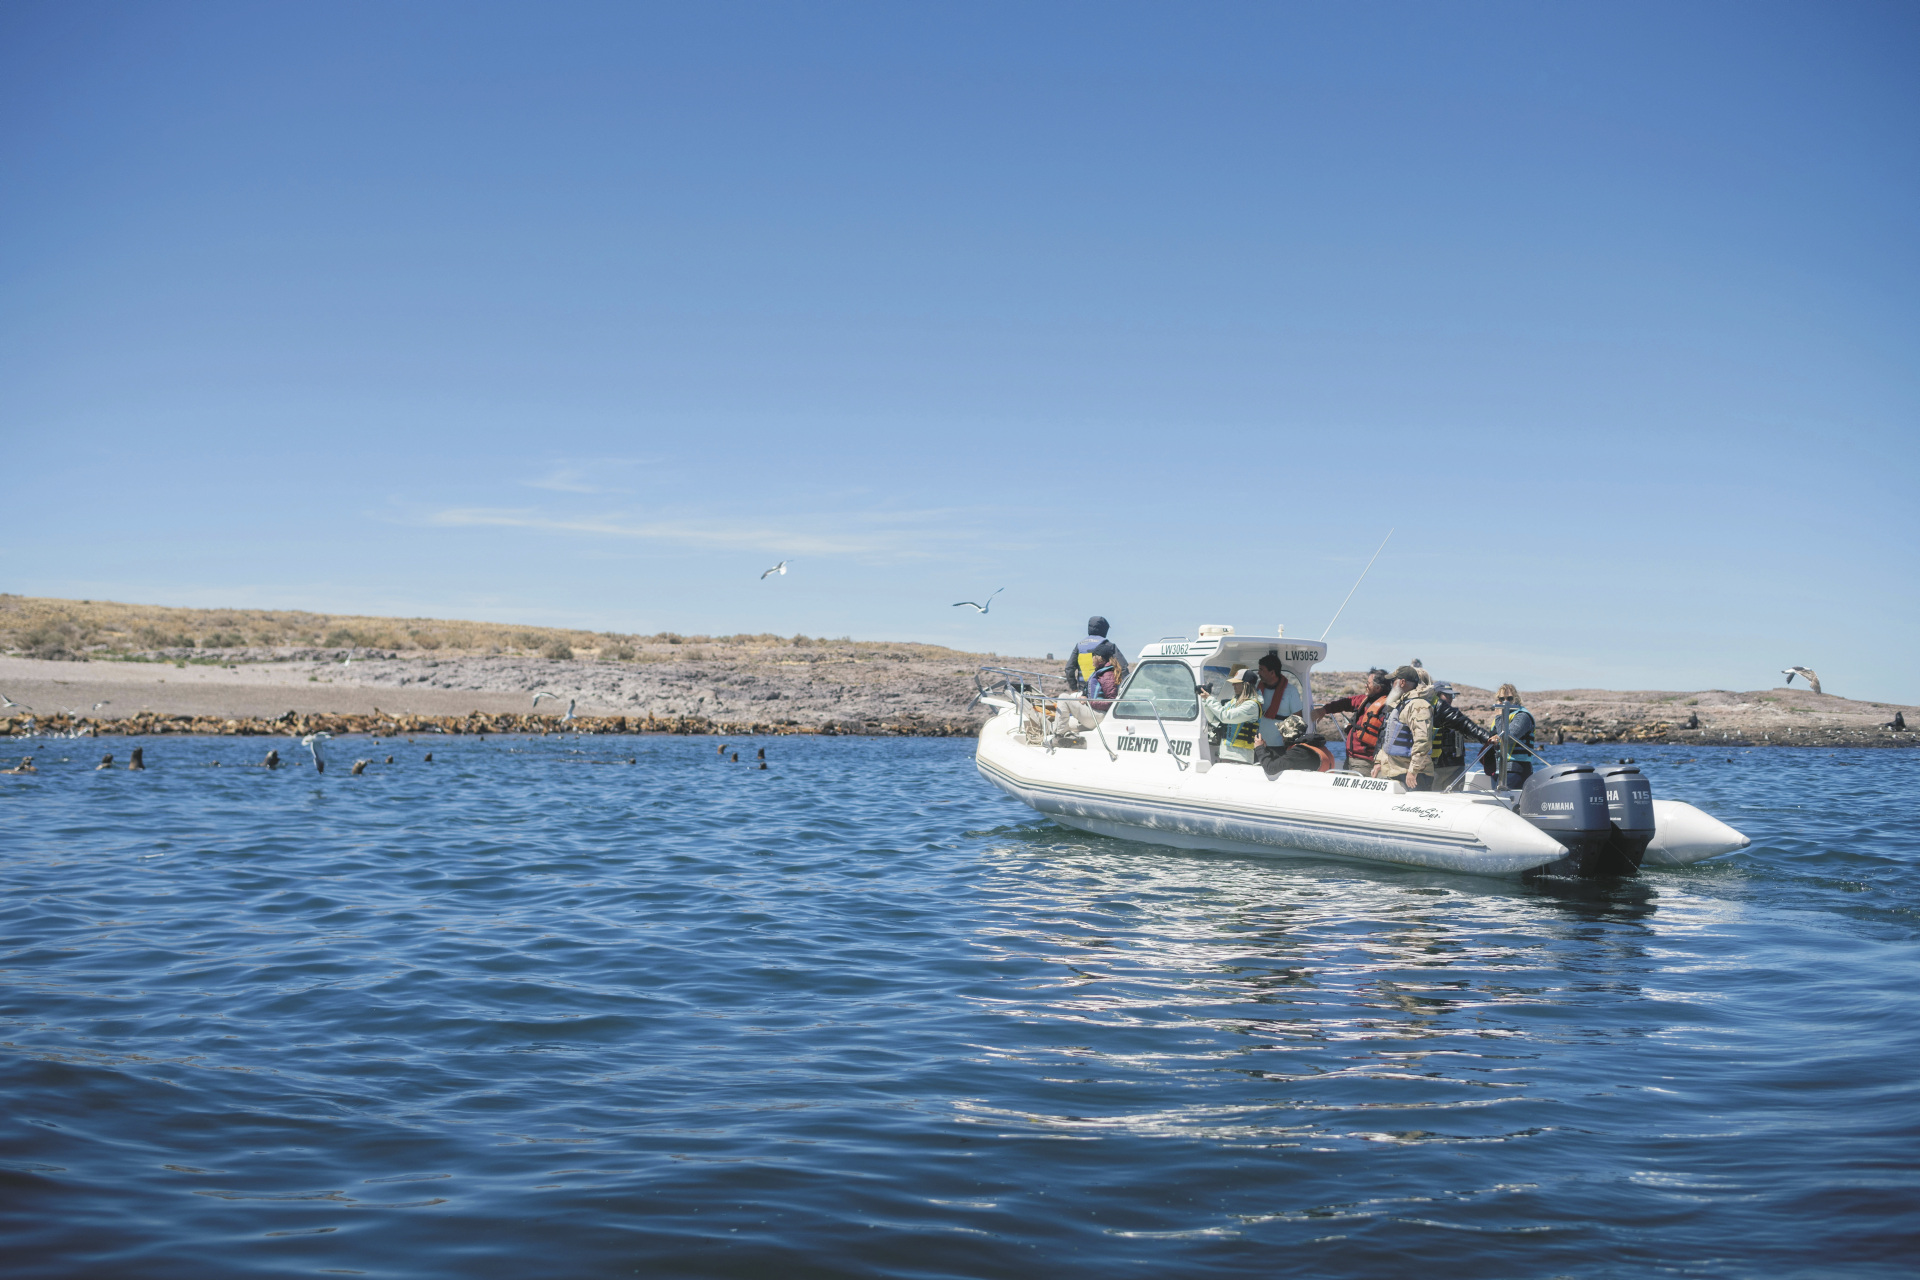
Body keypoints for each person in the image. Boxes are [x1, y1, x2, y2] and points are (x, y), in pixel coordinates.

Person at [1316, 668, 1393, 774]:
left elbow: (1386, 737)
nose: (1365, 685)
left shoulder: (1386, 709)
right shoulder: (1364, 700)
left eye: (1368, 683)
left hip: (1364, 762)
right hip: (1351, 758)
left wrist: (1378, 762)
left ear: (1378, 688)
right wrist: (1324, 710)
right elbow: (1346, 703)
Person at [1372, 665, 1436, 789]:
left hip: (1413, 775)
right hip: (1395, 771)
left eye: (1393, 681)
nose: (1392, 684)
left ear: (1402, 682)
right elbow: (1389, 737)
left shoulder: (1418, 705)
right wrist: (1379, 761)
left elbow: (1423, 741)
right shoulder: (1401, 704)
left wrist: (1413, 771)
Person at [1428, 681, 1491, 792]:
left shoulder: (1456, 717)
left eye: (1451, 696)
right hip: (1436, 767)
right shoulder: (1428, 715)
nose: (1450, 698)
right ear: (1436, 695)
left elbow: (1470, 729)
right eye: (1446, 695)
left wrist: (1489, 739)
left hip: (1456, 766)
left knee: (1455, 796)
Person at [1478, 683, 1541, 790]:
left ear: (1516, 699)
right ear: (1498, 700)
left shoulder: (1522, 716)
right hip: (1497, 769)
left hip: (1516, 769)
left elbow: (1508, 738)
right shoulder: (1500, 718)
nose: (1505, 702)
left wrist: (1499, 716)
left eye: (1509, 698)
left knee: (1505, 799)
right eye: (1502, 699)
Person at [1200, 667, 1264, 764]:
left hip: (1241, 757)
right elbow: (1214, 720)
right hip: (1225, 754)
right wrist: (1205, 700)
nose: (1233, 685)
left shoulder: (1251, 706)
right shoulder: (1232, 703)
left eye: (1237, 683)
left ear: (1246, 685)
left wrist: (1209, 699)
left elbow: (1225, 717)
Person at [1252, 653, 1306, 761]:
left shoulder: (1291, 691)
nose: (1258, 673)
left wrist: (1290, 743)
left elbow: (1297, 718)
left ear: (1272, 673)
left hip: (1280, 747)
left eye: (1261, 670)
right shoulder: (1256, 689)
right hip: (1258, 745)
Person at [1065, 616, 1127, 693]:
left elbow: (1069, 668)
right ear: (1104, 629)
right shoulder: (1108, 645)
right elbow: (1123, 667)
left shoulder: (1079, 646)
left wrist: (1074, 688)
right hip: (1103, 692)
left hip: (1083, 693)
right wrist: (1125, 688)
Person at [1261, 714, 1336, 775]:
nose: (1281, 736)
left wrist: (1260, 748)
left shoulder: (1298, 752)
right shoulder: (1314, 746)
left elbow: (1270, 768)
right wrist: (1266, 750)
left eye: (1282, 733)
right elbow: (1285, 757)